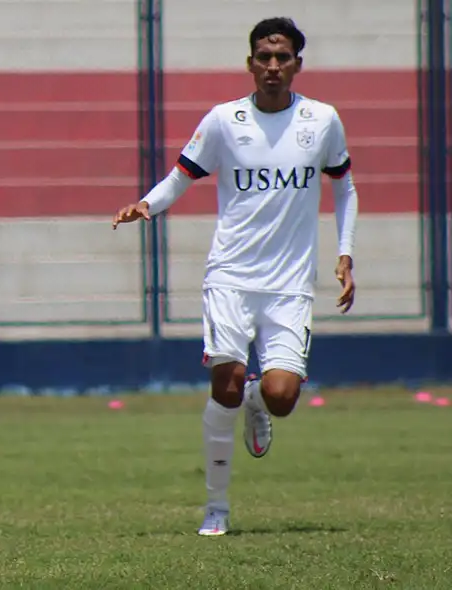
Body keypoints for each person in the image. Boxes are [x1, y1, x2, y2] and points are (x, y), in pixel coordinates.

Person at [111, 17, 358, 536]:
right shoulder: (226, 121)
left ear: (297, 65)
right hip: (230, 275)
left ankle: (257, 399)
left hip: (290, 284)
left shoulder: (323, 120)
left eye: (283, 57)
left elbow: (345, 187)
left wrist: (345, 252)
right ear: (250, 64)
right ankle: (216, 508)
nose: (273, 66)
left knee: (282, 396)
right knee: (223, 386)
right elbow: (182, 176)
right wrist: (145, 206)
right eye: (264, 58)